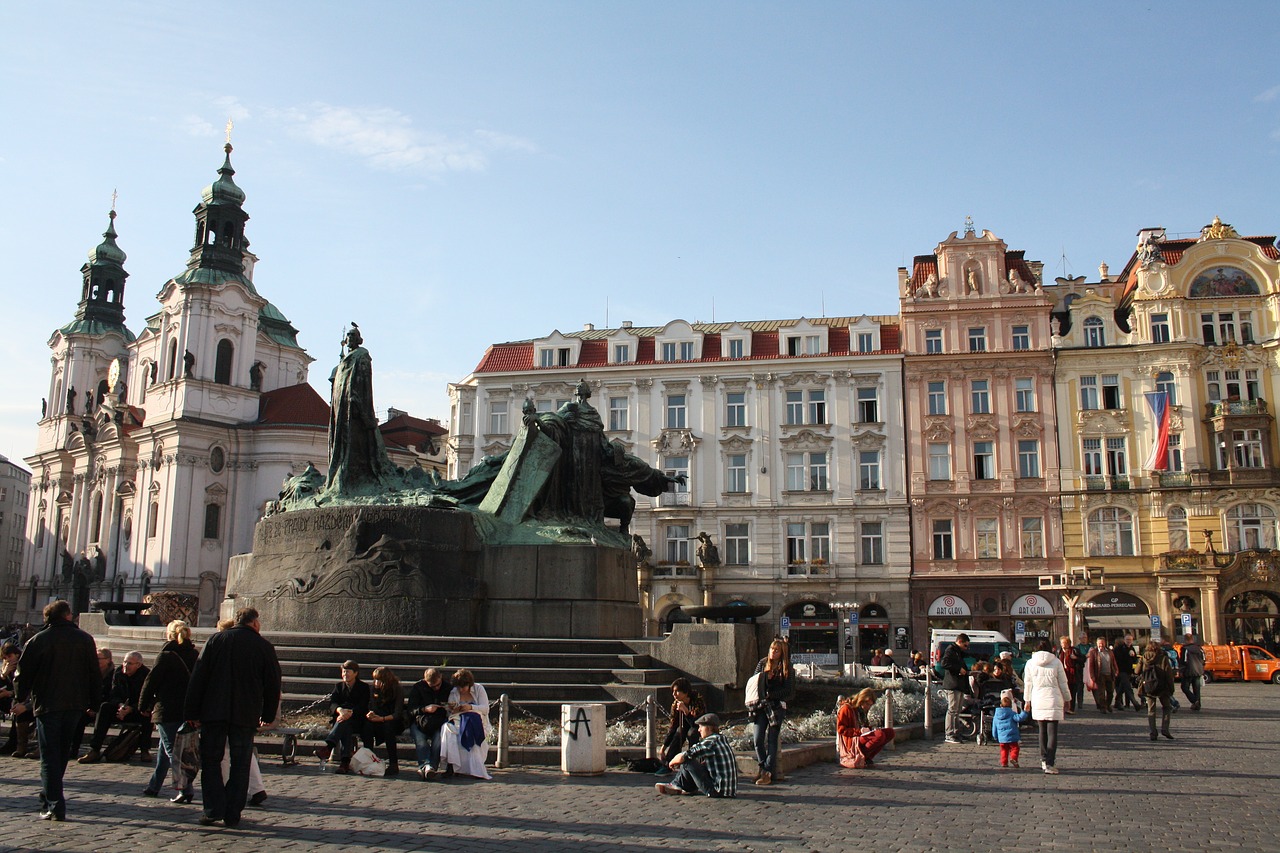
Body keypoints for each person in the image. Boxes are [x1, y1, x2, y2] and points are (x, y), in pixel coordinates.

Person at [183, 607, 282, 828]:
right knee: (240, 763)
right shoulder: (264, 646)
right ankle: (233, 811)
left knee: (211, 761)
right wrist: (267, 714)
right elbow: (273, 683)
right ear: (255, 623)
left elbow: (198, 677)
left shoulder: (216, 641)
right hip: (245, 714)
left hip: (213, 712)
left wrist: (191, 711)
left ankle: (212, 809)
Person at [11, 600, 101, 821]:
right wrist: (95, 702)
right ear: (68, 616)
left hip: (48, 704)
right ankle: (49, 796)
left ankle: (54, 803)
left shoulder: (38, 640)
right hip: (75, 704)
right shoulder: (85, 639)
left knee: (50, 755)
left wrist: (19, 697)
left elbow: (23, 674)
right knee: (60, 753)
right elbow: (94, 672)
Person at [138, 620, 199, 801]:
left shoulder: (166, 655)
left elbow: (151, 682)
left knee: (173, 751)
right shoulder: (195, 654)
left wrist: (143, 705)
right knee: (165, 749)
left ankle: (186, 789)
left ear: (169, 634)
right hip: (187, 709)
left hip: (167, 709)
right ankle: (154, 785)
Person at [78, 649, 151, 763]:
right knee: (104, 707)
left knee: (147, 714)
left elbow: (147, 697)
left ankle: (145, 750)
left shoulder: (146, 675)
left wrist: (131, 708)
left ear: (138, 665)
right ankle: (95, 749)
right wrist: (121, 705)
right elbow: (114, 694)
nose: (126, 665)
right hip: (120, 708)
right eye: (125, 662)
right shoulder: (118, 672)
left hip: (137, 709)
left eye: (130, 663)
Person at [654, 713, 738, 798]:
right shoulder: (721, 738)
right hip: (728, 791)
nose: (698, 730)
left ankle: (676, 784)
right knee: (697, 761)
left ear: (708, 728)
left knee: (688, 761)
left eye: (700, 727)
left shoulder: (711, 741)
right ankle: (686, 787)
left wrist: (672, 762)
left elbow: (686, 755)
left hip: (717, 790)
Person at [1022, 639, 1071, 775]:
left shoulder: (1030, 663)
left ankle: (1044, 759)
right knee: (1052, 732)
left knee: (1041, 731)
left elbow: (1028, 684)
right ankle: (1050, 762)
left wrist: (1027, 700)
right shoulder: (1056, 662)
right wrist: (1067, 698)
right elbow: (1063, 682)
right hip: (1053, 698)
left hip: (1038, 698)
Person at [750, 637, 795, 786]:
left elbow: (789, 691)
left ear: (782, 652)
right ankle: (763, 767)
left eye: (776, 650)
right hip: (760, 706)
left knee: (772, 740)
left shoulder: (787, 668)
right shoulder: (762, 663)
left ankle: (767, 773)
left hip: (776, 707)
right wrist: (764, 678)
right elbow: (753, 681)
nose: (773, 652)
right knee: (757, 739)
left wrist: (772, 695)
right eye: (771, 649)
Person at [318, 660, 369, 774]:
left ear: (355, 673)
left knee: (345, 723)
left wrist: (349, 713)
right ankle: (344, 762)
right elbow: (333, 703)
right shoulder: (338, 686)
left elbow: (363, 705)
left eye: (348, 672)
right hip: (342, 718)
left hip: (357, 719)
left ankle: (329, 748)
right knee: (345, 725)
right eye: (343, 672)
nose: (345, 675)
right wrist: (340, 710)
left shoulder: (363, 687)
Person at [440, 668, 492, 779]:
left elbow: (485, 709)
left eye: (463, 687)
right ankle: (452, 765)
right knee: (447, 729)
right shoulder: (454, 692)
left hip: (477, 719)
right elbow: (450, 711)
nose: (461, 690)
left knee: (469, 728)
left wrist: (470, 707)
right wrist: (453, 709)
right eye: (458, 687)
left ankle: (475, 767)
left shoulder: (479, 689)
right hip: (458, 718)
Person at [407, 667, 452, 780]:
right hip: (420, 721)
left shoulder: (447, 688)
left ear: (440, 677)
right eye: (432, 686)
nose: (436, 688)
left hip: (439, 721)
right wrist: (424, 709)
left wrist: (447, 707)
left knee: (438, 741)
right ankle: (427, 766)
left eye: (438, 685)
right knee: (421, 741)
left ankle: (429, 767)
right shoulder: (418, 687)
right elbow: (411, 709)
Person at [836, 689, 895, 767]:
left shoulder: (862, 710)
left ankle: (867, 757)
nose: (868, 707)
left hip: (861, 736)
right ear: (861, 700)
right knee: (880, 735)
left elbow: (864, 725)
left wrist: (871, 729)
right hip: (852, 739)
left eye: (870, 705)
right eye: (867, 704)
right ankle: (861, 756)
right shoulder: (846, 708)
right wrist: (859, 731)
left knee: (889, 732)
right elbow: (841, 729)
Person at [658, 678, 705, 775]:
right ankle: (668, 764)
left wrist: (686, 711)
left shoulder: (697, 701)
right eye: (673, 691)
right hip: (685, 725)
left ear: (686, 692)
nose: (674, 694)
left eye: (677, 691)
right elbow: (673, 726)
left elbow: (696, 723)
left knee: (692, 733)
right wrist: (664, 746)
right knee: (679, 731)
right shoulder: (675, 705)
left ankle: (693, 763)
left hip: (699, 727)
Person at [365, 666, 405, 776]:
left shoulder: (397, 689)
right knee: (367, 727)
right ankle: (369, 760)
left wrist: (382, 719)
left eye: (378, 680)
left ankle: (393, 763)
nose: (376, 682)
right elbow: (372, 706)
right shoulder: (373, 689)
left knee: (388, 728)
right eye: (375, 680)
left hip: (392, 720)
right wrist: (371, 714)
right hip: (378, 717)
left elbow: (397, 713)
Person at [1137, 640, 1175, 741]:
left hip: (1149, 686)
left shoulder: (1144, 657)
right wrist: (1171, 688)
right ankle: (1165, 729)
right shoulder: (1163, 657)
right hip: (1162, 686)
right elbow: (1168, 674)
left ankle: (1153, 733)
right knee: (1166, 707)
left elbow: (1137, 671)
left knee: (1151, 710)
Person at [941, 634, 971, 744]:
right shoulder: (951, 650)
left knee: (957, 711)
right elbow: (944, 663)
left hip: (958, 684)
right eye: (965, 645)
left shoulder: (957, 651)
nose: (966, 648)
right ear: (959, 641)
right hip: (952, 684)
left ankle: (956, 733)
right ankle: (949, 734)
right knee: (952, 710)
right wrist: (959, 669)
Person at [992, 694, 1030, 769]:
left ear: (1000, 705)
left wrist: (995, 736)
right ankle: (1013, 758)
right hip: (1012, 736)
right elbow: (1019, 718)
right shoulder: (1012, 714)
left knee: (1004, 750)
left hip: (1002, 738)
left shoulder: (996, 716)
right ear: (1010, 706)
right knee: (1015, 748)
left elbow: (994, 727)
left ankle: (1004, 762)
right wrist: (1025, 712)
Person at [1085, 637, 1117, 713]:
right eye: (1099, 643)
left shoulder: (1109, 652)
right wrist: (1092, 676)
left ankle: (1108, 705)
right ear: (1097, 643)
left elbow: (1113, 662)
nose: (1101, 645)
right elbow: (1091, 665)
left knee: (1110, 692)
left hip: (1109, 674)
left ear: (1105, 643)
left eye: (1102, 643)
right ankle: (1103, 707)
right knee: (1101, 692)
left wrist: (1116, 671)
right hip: (1100, 675)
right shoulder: (1094, 652)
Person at [1112, 634, 1140, 711]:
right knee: (1128, 687)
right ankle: (1135, 703)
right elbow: (1119, 660)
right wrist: (1128, 655)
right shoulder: (1119, 649)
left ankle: (1117, 701)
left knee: (1122, 687)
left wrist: (1133, 655)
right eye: (1127, 640)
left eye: (1130, 640)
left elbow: (1134, 660)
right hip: (1121, 671)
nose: (1129, 641)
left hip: (1129, 671)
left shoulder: (1132, 648)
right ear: (1124, 640)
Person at [1056, 636, 1082, 714]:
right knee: (1062, 691)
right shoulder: (1059, 651)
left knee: (1072, 692)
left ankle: (1071, 708)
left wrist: (1076, 658)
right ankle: (1064, 707)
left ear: (1068, 643)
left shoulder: (1074, 650)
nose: (1062, 644)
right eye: (1061, 643)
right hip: (1063, 673)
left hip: (1072, 674)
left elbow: (1082, 660)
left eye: (1064, 643)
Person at [1179, 634, 1206, 712]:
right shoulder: (1199, 648)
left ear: (1186, 640)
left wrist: (1181, 670)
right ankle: (1197, 704)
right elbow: (1204, 659)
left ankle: (1194, 701)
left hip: (1188, 671)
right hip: (1198, 671)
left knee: (1184, 687)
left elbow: (1183, 661)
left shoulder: (1185, 649)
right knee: (1197, 689)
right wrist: (1201, 667)